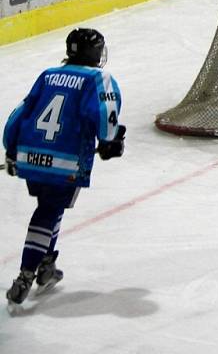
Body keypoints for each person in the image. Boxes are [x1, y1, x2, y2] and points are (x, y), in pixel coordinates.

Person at [3, 28, 126, 310]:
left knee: (50, 208)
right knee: (47, 212)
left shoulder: (48, 75)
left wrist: (11, 149)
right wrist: (110, 141)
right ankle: (25, 274)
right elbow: (106, 122)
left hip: (30, 157)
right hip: (65, 162)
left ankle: (46, 265)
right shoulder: (98, 78)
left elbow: (19, 115)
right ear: (94, 53)